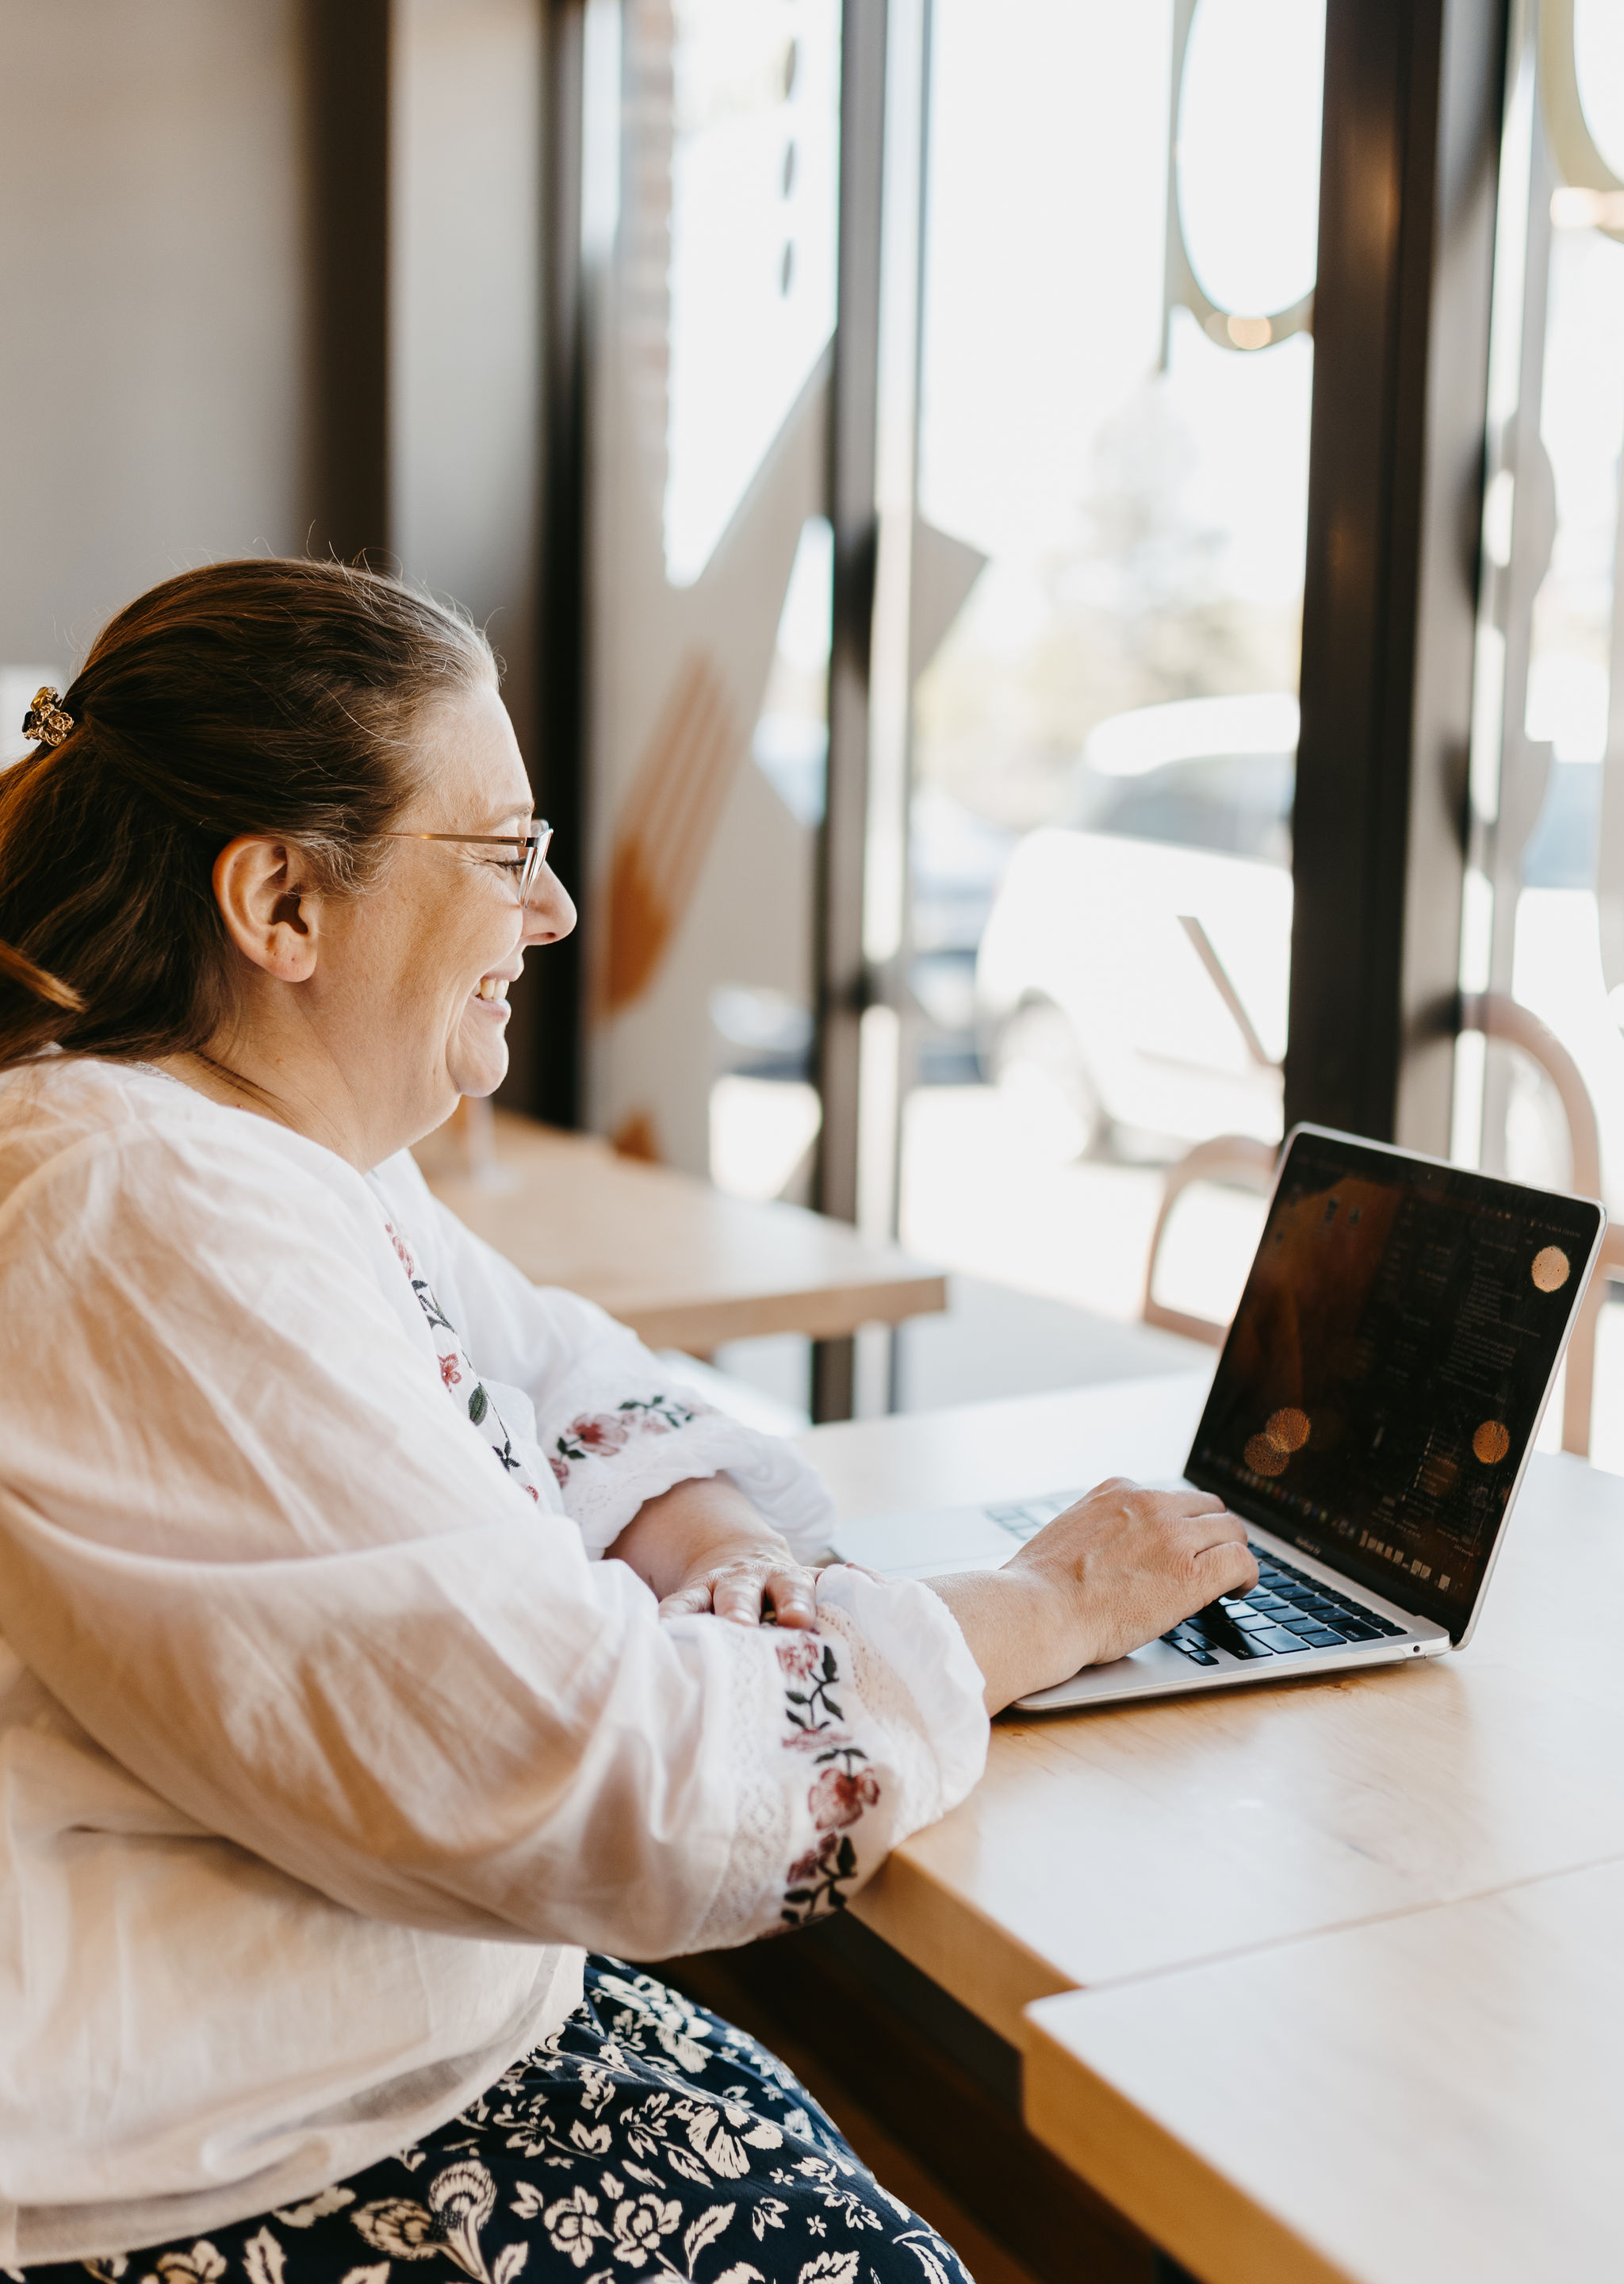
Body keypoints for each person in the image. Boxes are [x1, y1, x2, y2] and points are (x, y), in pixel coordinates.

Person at [0, 560, 1256, 2277]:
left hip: (409, 2056)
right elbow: (596, 1771)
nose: (559, 911)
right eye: (507, 853)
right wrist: (1041, 1611)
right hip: (234, 2169)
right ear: (281, 901)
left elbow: (568, 1371)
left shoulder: (248, 1151)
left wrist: (715, 1539)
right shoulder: (137, 1206)